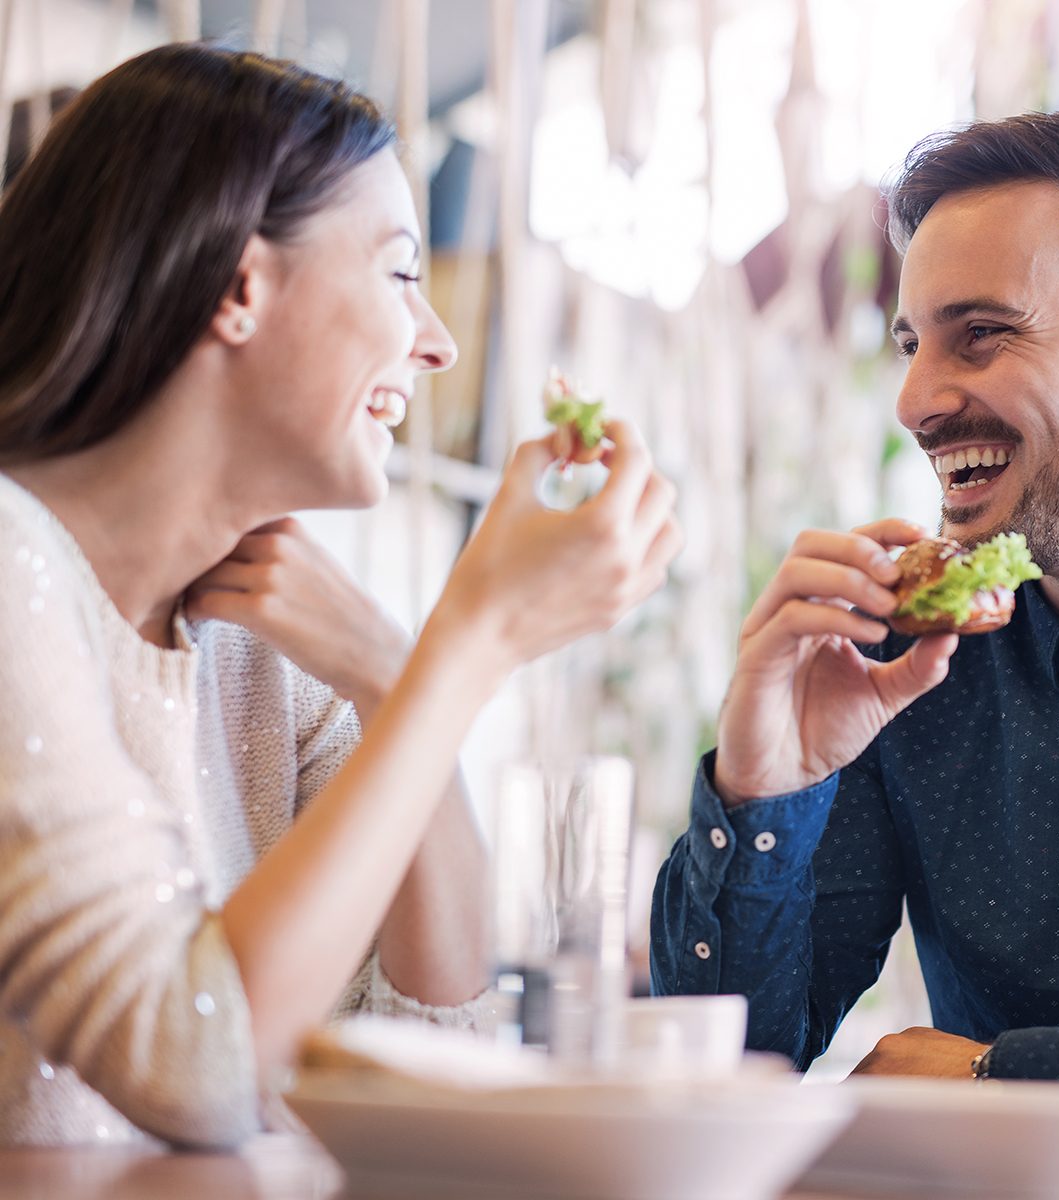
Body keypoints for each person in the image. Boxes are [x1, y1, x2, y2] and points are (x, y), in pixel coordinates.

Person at [0, 44, 681, 1148]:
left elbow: (436, 1051)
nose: (439, 342)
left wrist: (392, 671)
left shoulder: (258, 652)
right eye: (401, 271)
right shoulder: (10, 564)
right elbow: (199, 1066)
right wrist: (471, 644)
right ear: (236, 285)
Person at [651, 110, 1059, 1086]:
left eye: (980, 335)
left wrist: (1001, 1072)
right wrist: (765, 784)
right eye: (910, 343)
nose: (914, 400)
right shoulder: (904, 663)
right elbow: (728, 1068)